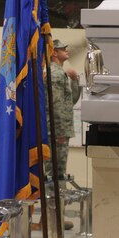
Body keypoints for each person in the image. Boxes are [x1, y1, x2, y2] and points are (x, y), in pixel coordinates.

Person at [45, 39, 81, 181]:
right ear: (54, 52)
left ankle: (56, 201)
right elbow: (55, 104)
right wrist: (58, 132)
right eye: (62, 48)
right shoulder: (55, 73)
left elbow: (69, 102)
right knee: (54, 172)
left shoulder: (60, 73)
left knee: (58, 171)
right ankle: (53, 202)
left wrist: (75, 81)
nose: (66, 50)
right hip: (57, 131)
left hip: (61, 130)